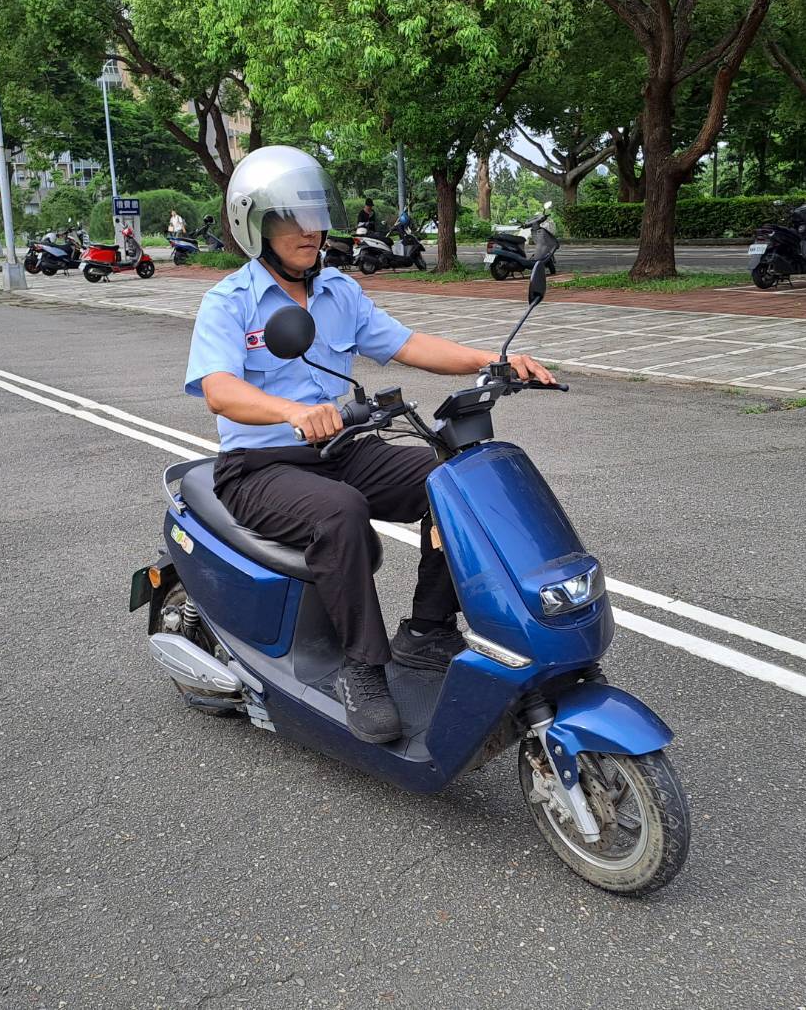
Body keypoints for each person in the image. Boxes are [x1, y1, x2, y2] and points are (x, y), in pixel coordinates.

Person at [184, 146, 554, 744]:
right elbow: (220, 391)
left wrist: (495, 360)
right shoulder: (230, 302)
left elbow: (408, 344)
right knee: (341, 513)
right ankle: (362, 667)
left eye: (314, 215)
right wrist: (295, 412)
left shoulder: (338, 291)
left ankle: (428, 631)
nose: (310, 231)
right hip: (258, 465)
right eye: (290, 219)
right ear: (254, 224)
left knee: (452, 481)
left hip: (343, 448)